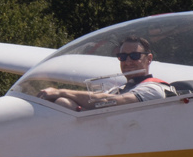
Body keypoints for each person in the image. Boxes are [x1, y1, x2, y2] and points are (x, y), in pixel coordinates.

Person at [39, 36, 175, 110]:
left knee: (62, 100)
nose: (128, 62)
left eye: (134, 56)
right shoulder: (117, 89)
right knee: (63, 103)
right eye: (122, 57)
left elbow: (108, 101)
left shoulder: (153, 89)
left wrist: (60, 91)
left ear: (149, 59)